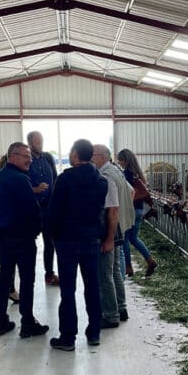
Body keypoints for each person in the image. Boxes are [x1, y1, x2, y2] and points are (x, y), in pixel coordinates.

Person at [46, 139, 108, 351]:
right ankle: (94, 333)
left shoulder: (65, 180)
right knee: (92, 286)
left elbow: (54, 212)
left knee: (68, 290)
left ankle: (68, 337)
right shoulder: (101, 182)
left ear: (74, 154)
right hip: (91, 239)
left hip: (67, 241)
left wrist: (53, 236)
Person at [0, 142, 48, 338]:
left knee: (4, 278)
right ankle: (27, 322)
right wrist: (36, 230)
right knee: (27, 280)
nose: (29, 160)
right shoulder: (21, 179)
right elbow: (32, 210)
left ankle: (1, 321)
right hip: (22, 238)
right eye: (26, 156)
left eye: (29, 156)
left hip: (4, 238)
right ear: (12, 156)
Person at [92, 144, 135, 328]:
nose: (90, 159)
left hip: (110, 228)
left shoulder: (105, 176)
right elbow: (131, 192)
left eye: (92, 156)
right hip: (119, 226)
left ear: (101, 157)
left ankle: (110, 315)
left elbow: (112, 207)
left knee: (105, 273)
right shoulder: (116, 171)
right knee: (116, 269)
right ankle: (121, 307)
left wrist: (109, 234)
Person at [26, 131, 60, 286]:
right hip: (31, 208)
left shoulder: (48, 158)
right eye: (38, 142)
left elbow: (55, 177)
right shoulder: (26, 160)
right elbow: (20, 182)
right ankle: (27, 276)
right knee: (27, 243)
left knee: (50, 242)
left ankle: (49, 273)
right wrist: (33, 189)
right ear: (30, 143)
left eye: (42, 141)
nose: (41, 145)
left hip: (49, 207)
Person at [116, 148, 157, 277]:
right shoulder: (137, 173)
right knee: (133, 238)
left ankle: (128, 267)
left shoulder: (126, 174)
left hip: (130, 209)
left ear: (125, 160)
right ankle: (150, 260)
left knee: (125, 239)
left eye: (121, 160)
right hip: (139, 209)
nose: (119, 162)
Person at [0, 154, 20, 304]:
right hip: (12, 227)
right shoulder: (14, 179)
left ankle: (7, 292)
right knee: (11, 263)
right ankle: (10, 290)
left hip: (0, 227)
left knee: (6, 262)